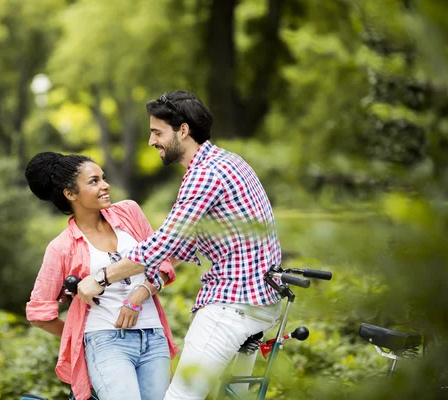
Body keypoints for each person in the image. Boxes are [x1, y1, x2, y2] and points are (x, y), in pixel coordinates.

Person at [77, 90, 282, 399]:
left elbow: (162, 244)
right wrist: (145, 287)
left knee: (183, 396)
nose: (151, 141)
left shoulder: (204, 174)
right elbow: (180, 249)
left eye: (157, 132)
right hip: (263, 301)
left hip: (233, 302)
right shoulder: (227, 161)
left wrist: (100, 278)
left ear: (183, 131)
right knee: (235, 395)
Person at [24, 151, 178, 400]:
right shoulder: (61, 247)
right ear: (71, 194)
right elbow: (39, 314)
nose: (105, 186)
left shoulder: (129, 213)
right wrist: (79, 336)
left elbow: (164, 264)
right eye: (94, 181)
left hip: (153, 335)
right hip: (105, 341)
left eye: (103, 178)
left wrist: (138, 296)